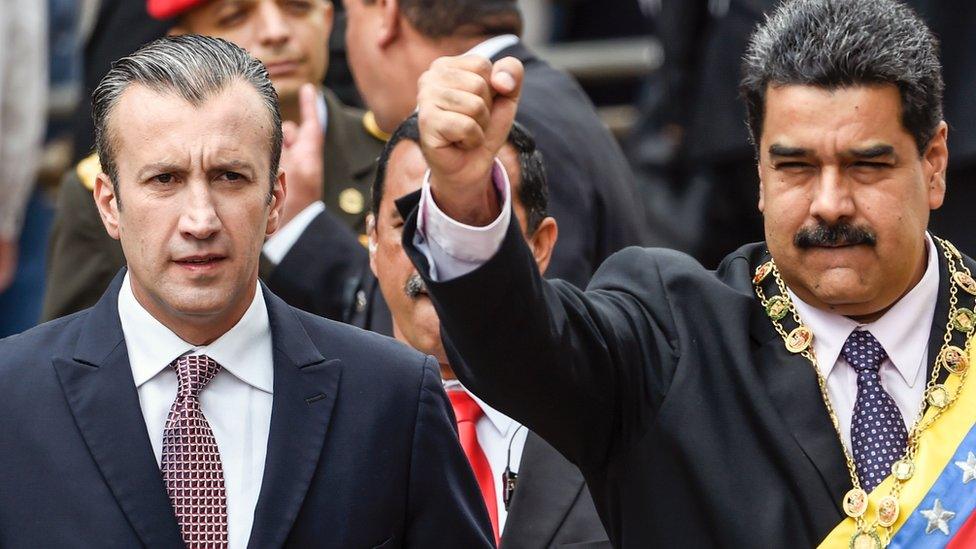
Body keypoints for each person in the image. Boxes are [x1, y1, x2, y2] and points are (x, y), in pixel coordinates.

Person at [402, 0, 976, 546]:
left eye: (866, 165)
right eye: (795, 167)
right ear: (759, 174)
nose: (829, 204)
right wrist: (464, 199)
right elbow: (520, 347)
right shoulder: (667, 334)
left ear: (933, 164)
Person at [0, 35, 492, 548]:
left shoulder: (391, 396)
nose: (200, 219)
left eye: (230, 177)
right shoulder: (11, 399)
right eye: (165, 179)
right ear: (108, 203)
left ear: (276, 199)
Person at [43, 0, 383, 322]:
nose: (276, 31)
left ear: (326, 19)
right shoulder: (103, 187)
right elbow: (74, 362)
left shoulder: (394, 157)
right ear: (185, 42)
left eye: (298, 6)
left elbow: (412, 340)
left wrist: (303, 229)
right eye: (234, 16)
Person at [362, 113, 609, 546]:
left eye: (472, 222)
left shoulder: (612, 418)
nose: (439, 254)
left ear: (540, 245)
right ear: (373, 242)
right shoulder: (321, 425)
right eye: (411, 224)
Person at [342, 0, 648, 288]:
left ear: (387, 10)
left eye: (349, 14)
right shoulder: (541, 98)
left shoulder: (500, 124)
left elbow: (530, 328)